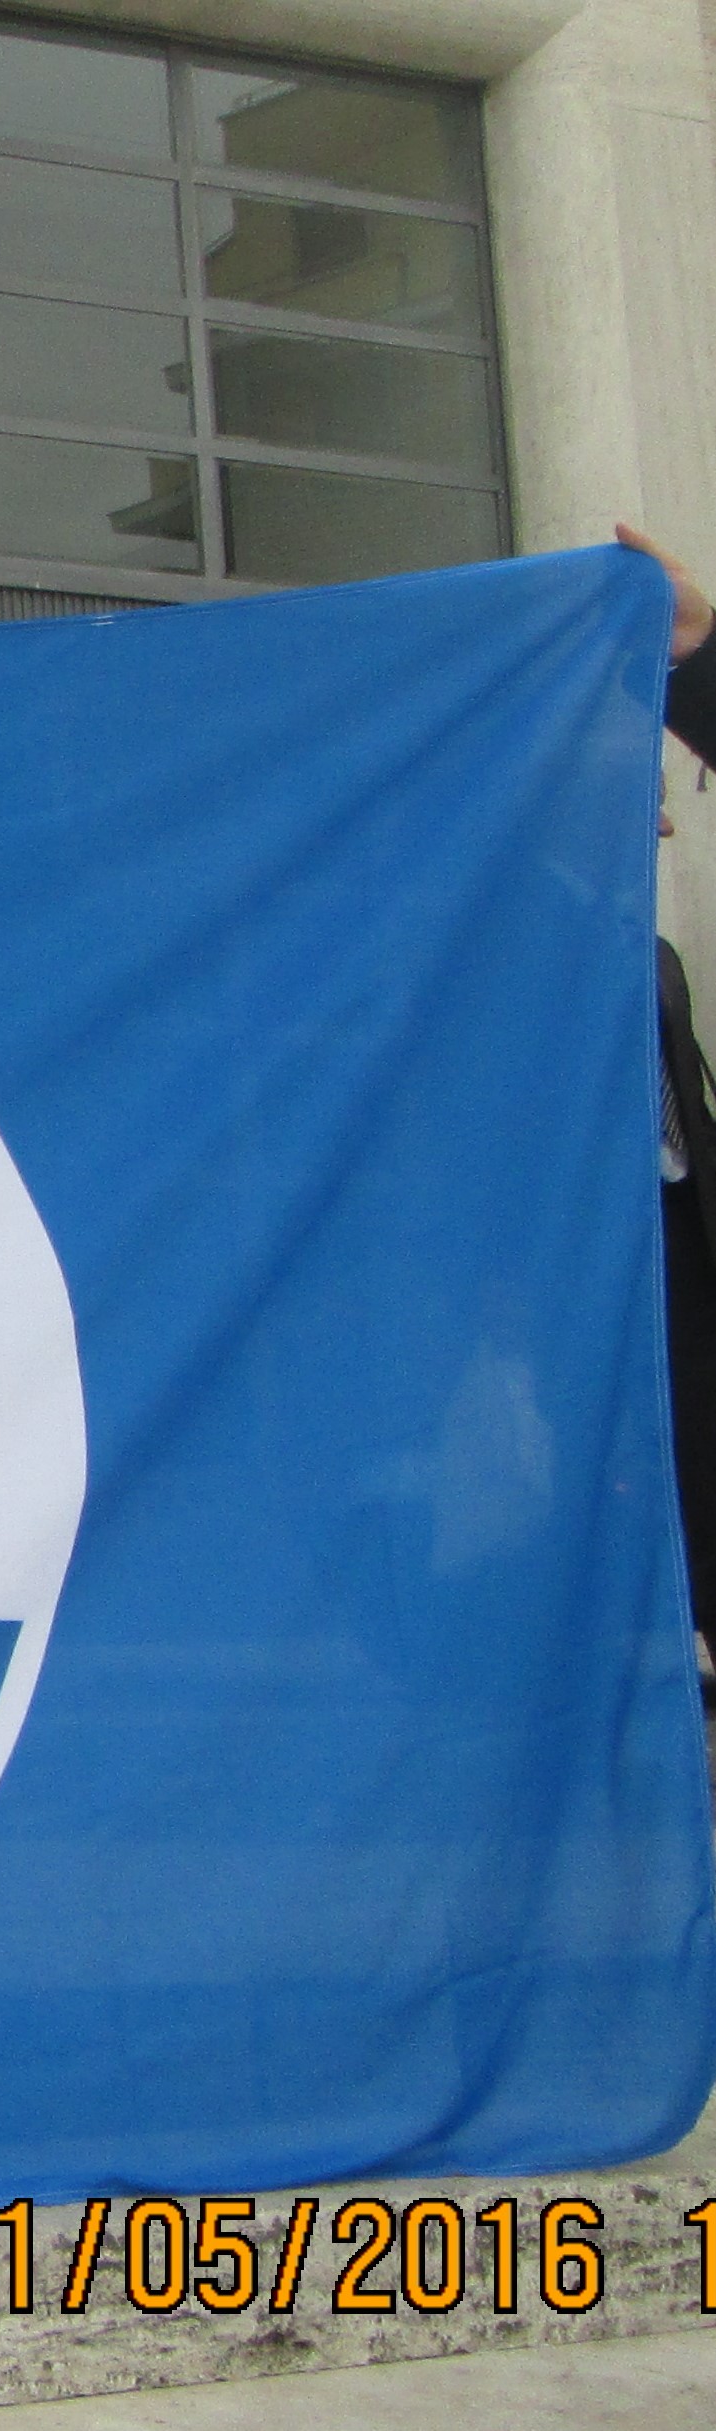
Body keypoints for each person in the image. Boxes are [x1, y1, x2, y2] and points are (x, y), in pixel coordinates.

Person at [616, 524, 716, 1680]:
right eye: (645, 794)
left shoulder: (658, 963)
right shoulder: (508, 951)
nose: (668, 821)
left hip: (689, 1262)